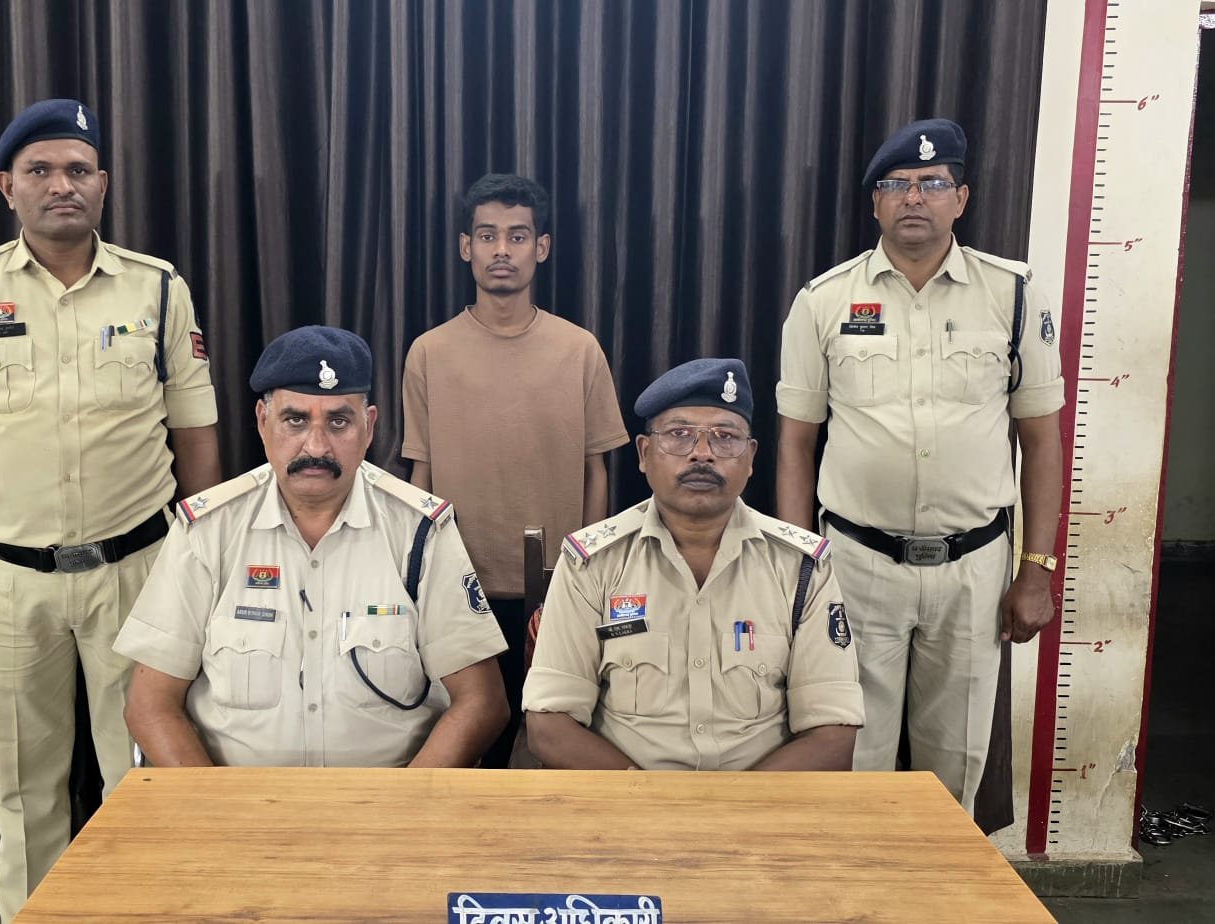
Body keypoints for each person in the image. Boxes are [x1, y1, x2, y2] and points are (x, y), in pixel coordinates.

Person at [0, 98, 221, 919]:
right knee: (25, 786)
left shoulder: (158, 288)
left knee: (141, 779)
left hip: (139, 573)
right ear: (7, 186)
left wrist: (202, 568)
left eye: (79, 170)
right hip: (8, 581)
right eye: (40, 170)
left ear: (103, 185)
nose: (62, 185)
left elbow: (196, 435)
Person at [775, 118, 1063, 816]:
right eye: (896, 184)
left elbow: (1042, 440)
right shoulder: (823, 300)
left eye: (932, 183)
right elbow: (794, 444)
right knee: (852, 756)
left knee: (954, 765)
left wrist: (1036, 569)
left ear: (961, 199)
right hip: (857, 565)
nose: (914, 197)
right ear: (874, 202)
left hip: (974, 570)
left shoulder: (1013, 294)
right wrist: (799, 568)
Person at [115, 326, 510, 769]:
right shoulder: (208, 531)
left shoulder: (420, 531)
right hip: (240, 802)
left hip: (385, 800)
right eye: (296, 420)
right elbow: (150, 705)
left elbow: (481, 703)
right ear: (263, 422)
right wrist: (218, 809)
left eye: (338, 422)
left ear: (369, 427)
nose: (317, 446)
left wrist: (403, 805)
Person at [522, 358, 864, 771]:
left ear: (751, 457)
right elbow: (549, 725)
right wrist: (653, 800)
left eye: (725, 437)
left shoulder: (801, 568)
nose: (702, 453)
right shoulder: (592, 564)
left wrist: (734, 804)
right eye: (679, 435)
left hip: (762, 802)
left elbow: (832, 733)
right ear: (644, 453)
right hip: (628, 800)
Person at [402, 173, 629, 768]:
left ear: (542, 247)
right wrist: (416, 576)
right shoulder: (429, 352)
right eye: (487, 235)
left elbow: (597, 471)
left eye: (518, 236)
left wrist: (586, 570)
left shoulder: (579, 349)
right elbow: (421, 475)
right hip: (457, 586)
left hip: (555, 589)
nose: (501, 250)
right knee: (468, 740)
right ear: (465, 246)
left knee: (552, 740)